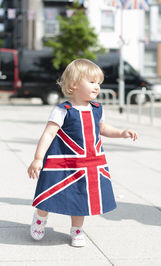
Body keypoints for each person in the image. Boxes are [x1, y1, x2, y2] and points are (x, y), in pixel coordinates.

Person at [27, 59, 138, 247]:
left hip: (88, 163)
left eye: (99, 83)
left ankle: (77, 230)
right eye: (92, 82)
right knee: (50, 192)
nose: (97, 87)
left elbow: (102, 128)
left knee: (82, 197)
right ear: (74, 84)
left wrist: (121, 133)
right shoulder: (63, 110)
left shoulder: (96, 109)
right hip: (63, 163)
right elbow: (48, 134)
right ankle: (40, 217)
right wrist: (38, 159)